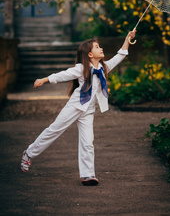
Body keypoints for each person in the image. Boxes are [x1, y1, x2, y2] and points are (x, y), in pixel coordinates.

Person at [21, 30, 136, 186]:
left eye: (99, 46)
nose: (101, 48)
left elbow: (120, 55)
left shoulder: (104, 68)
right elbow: (63, 74)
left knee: (88, 142)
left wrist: (127, 39)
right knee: (54, 130)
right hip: (74, 107)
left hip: (88, 111)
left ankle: (88, 175)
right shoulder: (82, 68)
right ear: (89, 54)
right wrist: (45, 79)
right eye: (97, 47)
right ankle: (29, 153)